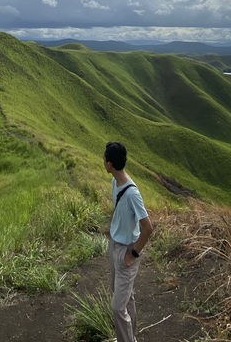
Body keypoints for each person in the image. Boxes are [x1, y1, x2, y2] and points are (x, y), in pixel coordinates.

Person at [104, 141, 153, 342]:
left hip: (126, 251)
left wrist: (133, 254)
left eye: (104, 158)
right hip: (115, 246)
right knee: (124, 296)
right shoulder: (116, 182)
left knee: (117, 307)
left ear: (109, 164)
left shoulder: (132, 193)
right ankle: (130, 335)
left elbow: (148, 227)